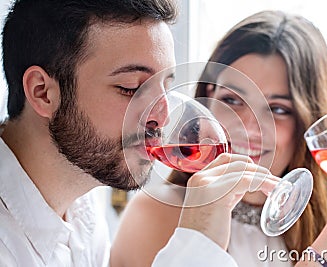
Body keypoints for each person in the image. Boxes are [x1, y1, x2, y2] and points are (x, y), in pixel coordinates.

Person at [0, 0, 281, 266]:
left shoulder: (84, 207)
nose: (162, 117)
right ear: (43, 92)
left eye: (165, 88)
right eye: (132, 88)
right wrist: (198, 240)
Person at [111, 10, 327, 267]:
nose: (249, 128)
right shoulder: (160, 215)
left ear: (308, 124)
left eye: (277, 109)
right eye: (232, 101)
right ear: (206, 102)